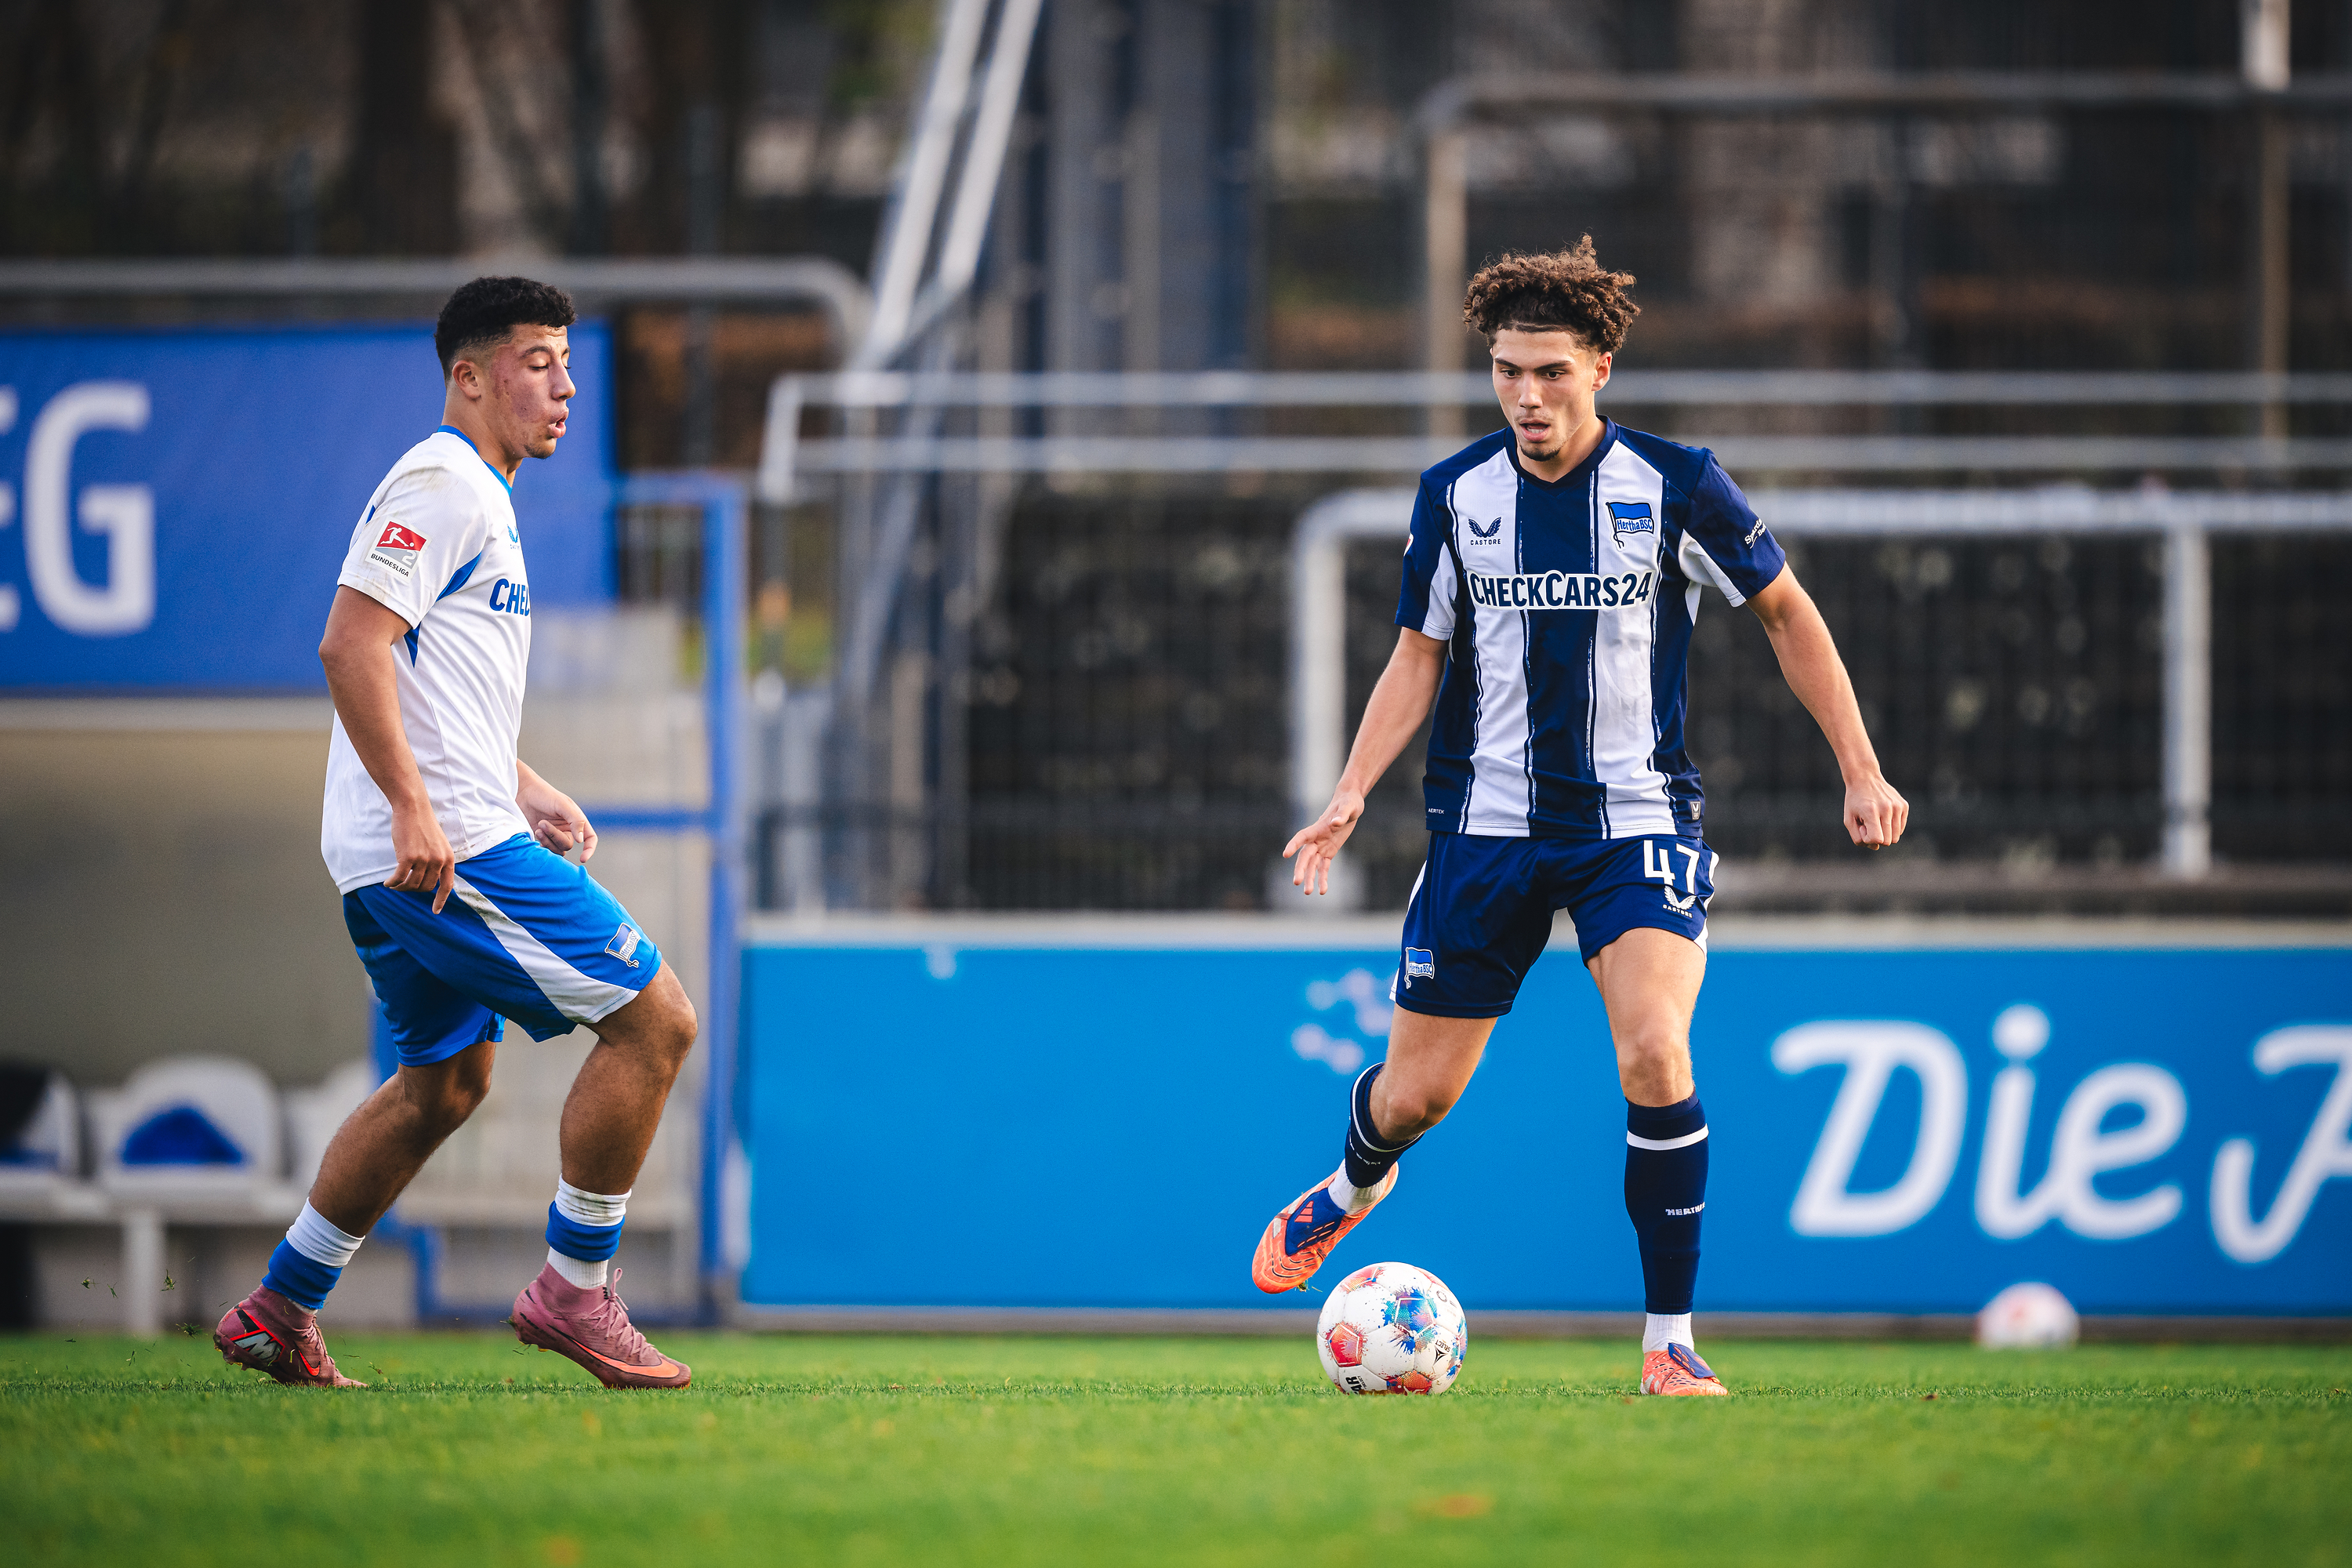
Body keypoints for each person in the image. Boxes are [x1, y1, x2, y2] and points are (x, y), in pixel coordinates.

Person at [1251, 238, 1907, 1396]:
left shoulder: (1680, 483)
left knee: (1655, 1051)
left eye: (1551, 372)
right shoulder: (1456, 495)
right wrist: (1351, 792)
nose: (1527, 395)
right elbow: (1418, 654)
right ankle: (1356, 1182)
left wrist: (1860, 766)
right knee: (1416, 1100)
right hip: (1484, 829)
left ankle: (1669, 1344)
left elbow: (1789, 616)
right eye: (1508, 372)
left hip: (1634, 823)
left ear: (1600, 365)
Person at [213, 277, 699, 1390]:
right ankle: (575, 1290)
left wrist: (517, 780)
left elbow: (429, 679)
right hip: (440, 850)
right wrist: (420, 806)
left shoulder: (479, 493)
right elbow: (351, 644)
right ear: (468, 376)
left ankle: (279, 1307)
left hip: (427, 838)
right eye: (538, 360)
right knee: (655, 1021)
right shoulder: (442, 482)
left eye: (568, 361)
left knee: (444, 1086)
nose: (564, 384)